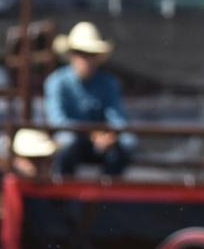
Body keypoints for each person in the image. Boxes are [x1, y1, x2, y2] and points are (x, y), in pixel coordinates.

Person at [43, 21, 136, 177]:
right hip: (73, 140)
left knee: (129, 141)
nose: (86, 60)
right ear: (71, 55)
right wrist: (91, 133)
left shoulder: (109, 83)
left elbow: (118, 118)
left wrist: (111, 136)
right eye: (82, 54)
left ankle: (109, 192)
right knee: (66, 141)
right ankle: (63, 188)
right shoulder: (56, 82)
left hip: (101, 142)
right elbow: (57, 120)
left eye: (91, 55)